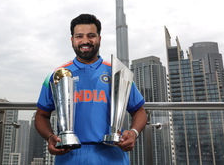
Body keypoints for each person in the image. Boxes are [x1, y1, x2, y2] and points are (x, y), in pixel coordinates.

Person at [35, 14, 147, 165]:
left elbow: (139, 111)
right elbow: (41, 115)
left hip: (112, 155)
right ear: (72, 40)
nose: (85, 41)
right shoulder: (57, 75)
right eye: (79, 36)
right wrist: (50, 137)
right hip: (69, 155)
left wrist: (133, 133)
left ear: (99, 39)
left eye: (91, 36)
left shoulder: (117, 73)